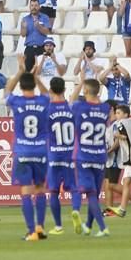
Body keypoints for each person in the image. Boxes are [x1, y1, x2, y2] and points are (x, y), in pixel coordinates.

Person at [4, 59, 50, 240]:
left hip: (23, 151)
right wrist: (36, 77)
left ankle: (31, 231)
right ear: (34, 85)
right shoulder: (43, 100)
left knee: (25, 190)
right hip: (41, 151)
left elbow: (7, 90)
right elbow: (47, 93)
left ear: (21, 86)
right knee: (40, 189)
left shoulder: (16, 101)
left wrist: (20, 72)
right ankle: (40, 227)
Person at [69, 77, 111, 237]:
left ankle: (103, 228)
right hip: (100, 156)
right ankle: (88, 225)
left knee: (91, 194)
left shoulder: (79, 107)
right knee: (95, 193)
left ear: (85, 91)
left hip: (83, 156)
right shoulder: (105, 108)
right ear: (98, 91)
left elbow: (71, 100)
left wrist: (80, 83)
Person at [46, 76, 81, 235]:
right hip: (69, 153)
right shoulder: (71, 107)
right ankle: (76, 210)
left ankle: (59, 226)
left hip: (54, 154)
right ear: (64, 90)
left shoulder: (47, 110)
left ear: (51, 90)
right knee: (74, 189)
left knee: (53, 191)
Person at [21, 0, 52, 72]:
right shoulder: (25, 19)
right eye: (32, 5)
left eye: (36, 5)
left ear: (39, 7)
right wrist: (24, 28)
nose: (34, 7)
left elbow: (47, 32)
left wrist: (39, 26)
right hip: (29, 49)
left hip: (41, 48)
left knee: (42, 71)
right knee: (28, 72)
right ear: (29, 7)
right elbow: (23, 35)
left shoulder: (45, 17)